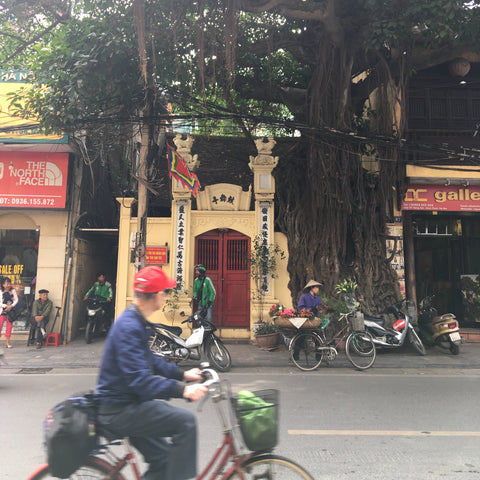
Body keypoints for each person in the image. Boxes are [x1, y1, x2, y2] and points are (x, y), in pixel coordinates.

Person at [95, 266, 208, 480]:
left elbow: (152, 360)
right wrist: (183, 391)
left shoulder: (136, 320)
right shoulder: (129, 326)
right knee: (186, 422)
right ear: (156, 295)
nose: (166, 296)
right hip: (119, 409)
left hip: (129, 403)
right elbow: (141, 381)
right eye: (165, 292)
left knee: (163, 459)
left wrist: (183, 375)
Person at [0, 276, 18, 348]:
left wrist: (11, 306)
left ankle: (7, 343)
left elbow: (16, 300)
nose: (8, 285)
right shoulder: (0, 291)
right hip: (2, 311)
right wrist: (5, 306)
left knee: (9, 327)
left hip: (10, 311)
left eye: (9, 283)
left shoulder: (12, 291)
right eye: (6, 284)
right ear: (3, 284)